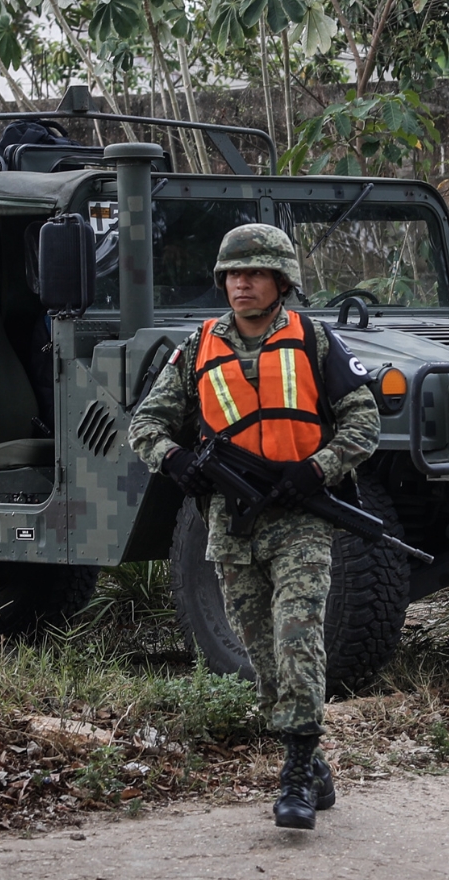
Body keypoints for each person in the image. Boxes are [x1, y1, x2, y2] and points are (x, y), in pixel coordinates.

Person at [127, 224, 381, 829]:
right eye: (234, 274)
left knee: (298, 641)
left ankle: (294, 771)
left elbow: (363, 420)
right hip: (232, 526)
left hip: (300, 521)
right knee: (263, 657)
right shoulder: (195, 351)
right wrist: (176, 459)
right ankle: (311, 761)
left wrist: (317, 470)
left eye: (256, 273)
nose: (242, 283)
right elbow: (146, 425)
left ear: (281, 282)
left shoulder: (315, 341)